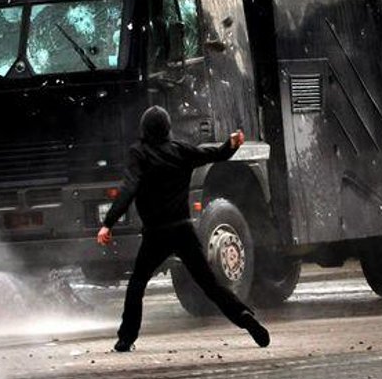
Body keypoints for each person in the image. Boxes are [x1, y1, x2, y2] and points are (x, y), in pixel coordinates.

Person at [97, 106, 270, 352]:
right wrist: (232, 145)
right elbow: (215, 154)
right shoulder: (181, 151)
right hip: (183, 231)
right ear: (168, 128)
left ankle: (126, 339)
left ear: (144, 129)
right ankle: (244, 316)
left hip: (156, 234)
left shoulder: (139, 154)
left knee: (137, 284)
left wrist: (108, 223)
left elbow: (129, 188)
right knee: (210, 284)